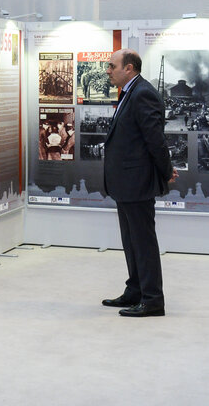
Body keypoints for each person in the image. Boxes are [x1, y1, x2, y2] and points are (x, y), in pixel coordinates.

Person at [102, 49, 176, 317]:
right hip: (126, 183)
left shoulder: (143, 93)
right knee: (131, 241)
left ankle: (153, 299)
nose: (108, 70)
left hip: (136, 182)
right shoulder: (129, 92)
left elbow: (154, 138)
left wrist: (166, 170)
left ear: (129, 68)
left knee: (143, 242)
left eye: (112, 66)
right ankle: (135, 290)